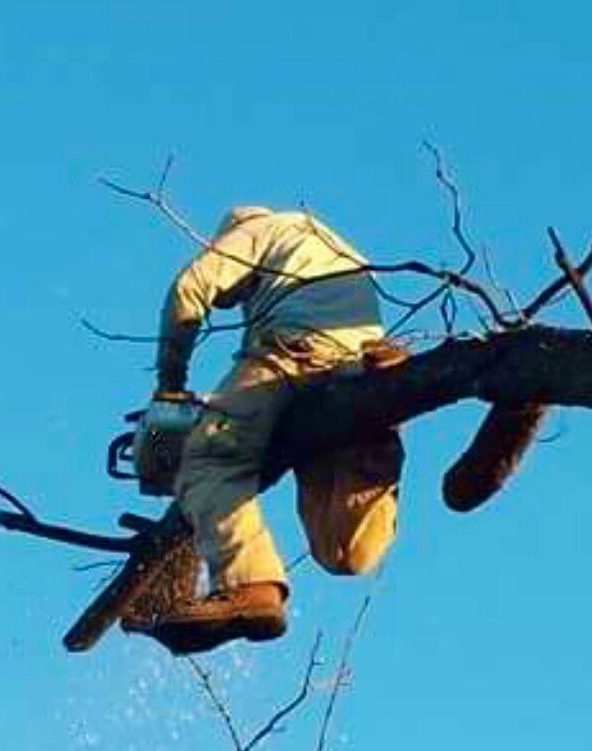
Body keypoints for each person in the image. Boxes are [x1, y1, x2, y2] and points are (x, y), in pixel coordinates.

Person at [130, 205, 404, 655]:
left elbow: (189, 291)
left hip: (292, 352)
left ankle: (251, 585)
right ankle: (378, 434)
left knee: (207, 460)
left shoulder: (257, 231)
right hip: (356, 370)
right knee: (342, 553)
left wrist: (171, 385)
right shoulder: (331, 246)